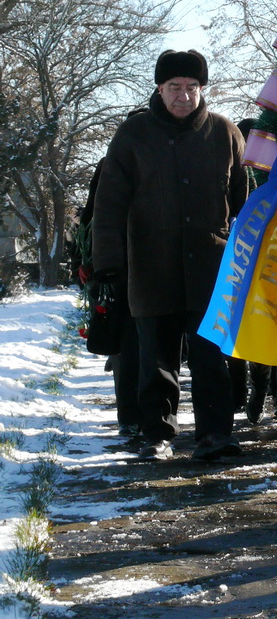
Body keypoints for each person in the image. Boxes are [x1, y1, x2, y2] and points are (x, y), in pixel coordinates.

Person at [91, 49, 249, 461]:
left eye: (192, 88)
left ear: (202, 89)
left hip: (211, 271)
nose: (184, 96)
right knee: (156, 360)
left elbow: (243, 203)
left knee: (211, 360)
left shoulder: (225, 133)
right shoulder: (133, 135)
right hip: (150, 267)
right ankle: (156, 434)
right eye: (174, 87)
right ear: (159, 89)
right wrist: (108, 264)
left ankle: (216, 435)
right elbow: (108, 205)